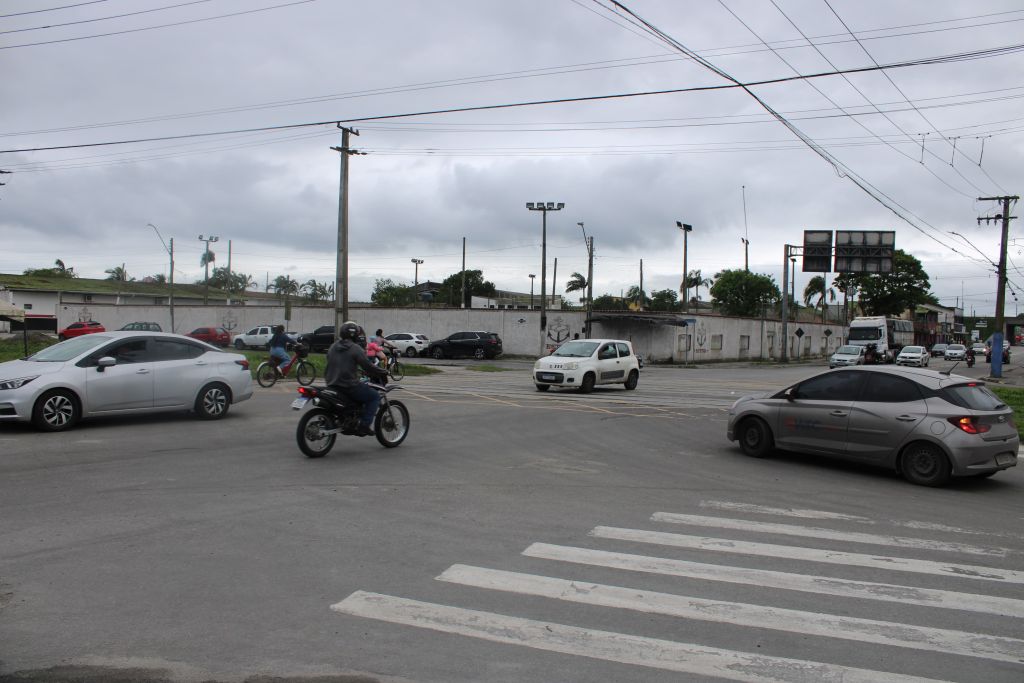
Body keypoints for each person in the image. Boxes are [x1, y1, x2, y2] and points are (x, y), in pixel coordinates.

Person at [324, 321, 389, 436]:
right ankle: (364, 425)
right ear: (355, 335)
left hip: (331, 384)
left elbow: (335, 361)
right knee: (374, 396)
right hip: (348, 386)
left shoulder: (333, 346)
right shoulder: (355, 348)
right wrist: (383, 371)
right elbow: (368, 366)